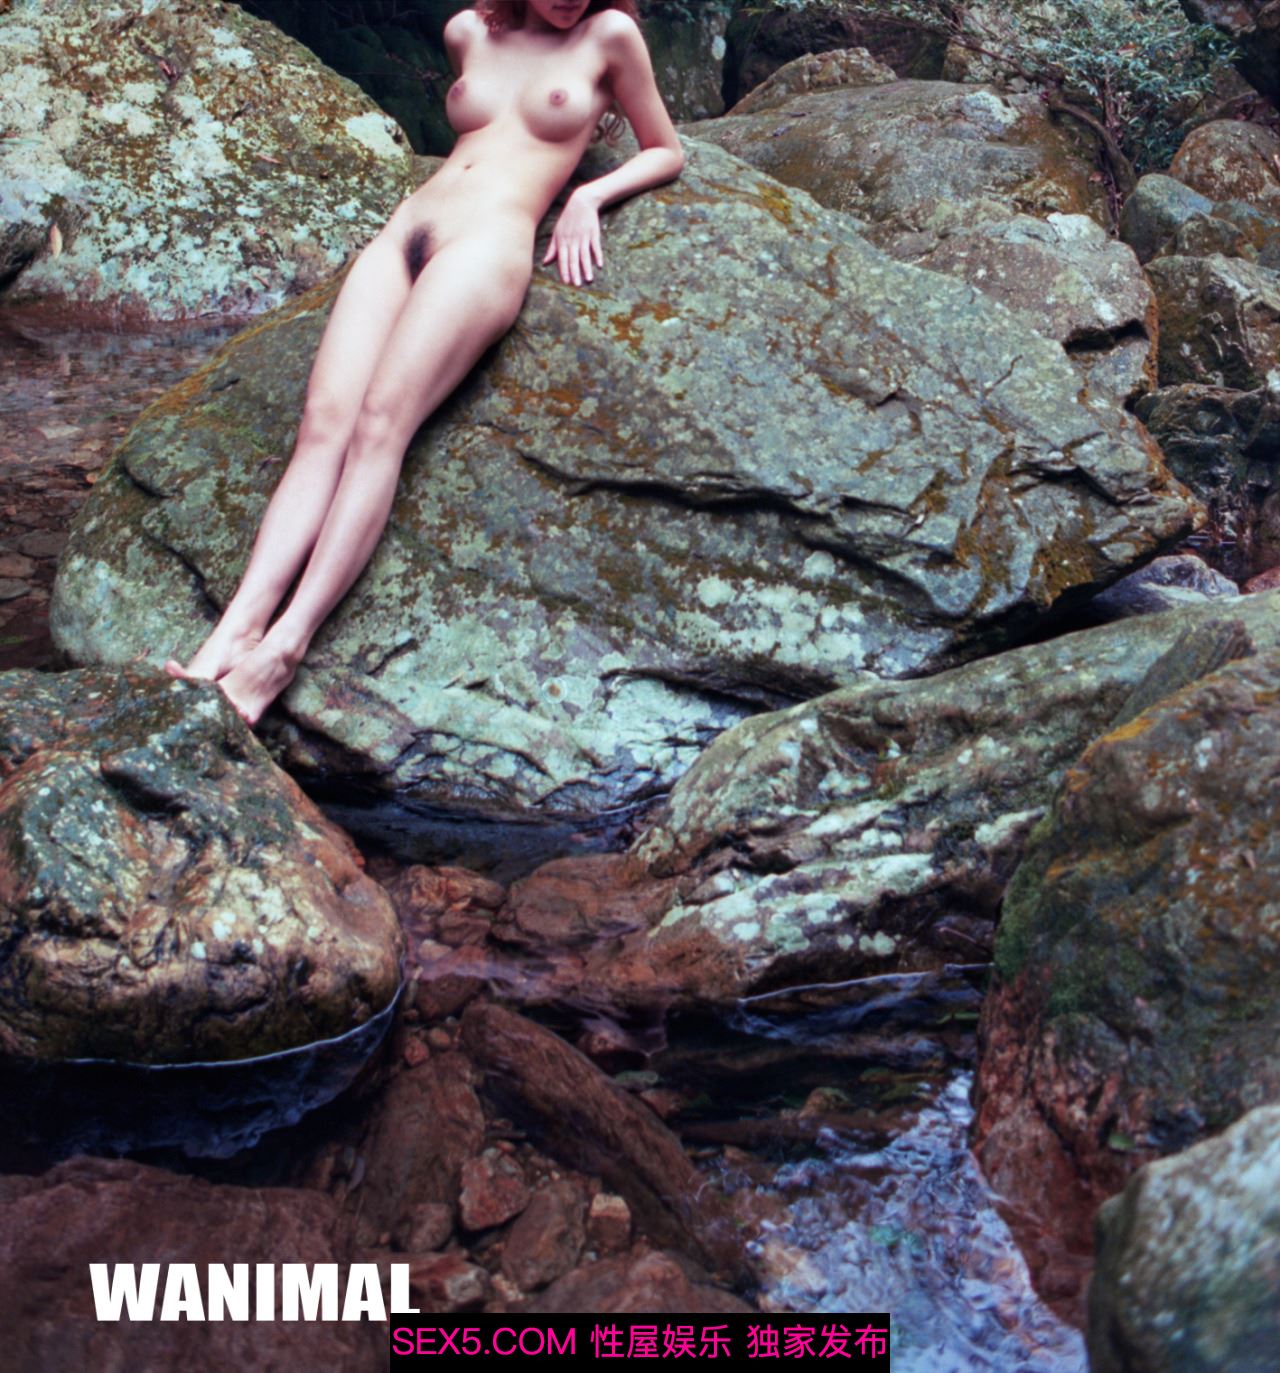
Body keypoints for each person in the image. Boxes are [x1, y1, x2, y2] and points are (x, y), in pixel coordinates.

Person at [165, 0, 684, 724]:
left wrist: (588, 196)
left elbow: (666, 149)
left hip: (487, 243)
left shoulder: (611, 37)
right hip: (406, 230)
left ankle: (282, 649)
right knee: (323, 425)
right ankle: (231, 635)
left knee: (381, 425)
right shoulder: (469, 31)